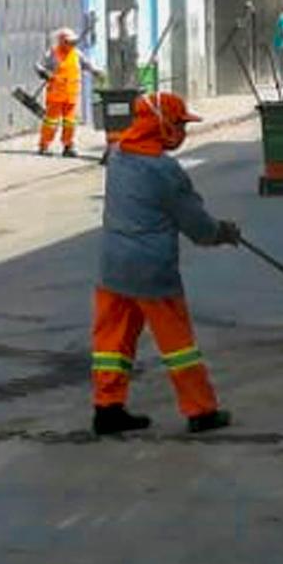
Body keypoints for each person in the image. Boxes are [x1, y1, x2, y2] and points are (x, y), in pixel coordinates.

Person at [89, 91, 240, 438]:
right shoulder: (164, 171)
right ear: (164, 127)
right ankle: (201, 411)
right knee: (178, 345)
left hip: (112, 266)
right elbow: (199, 228)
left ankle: (107, 409)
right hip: (151, 271)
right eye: (179, 124)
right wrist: (223, 232)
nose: (183, 133)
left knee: (111, 343)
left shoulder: (117, 154)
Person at [38, 28, 89, 157]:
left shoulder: (76, 53)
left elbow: (87, 64)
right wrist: (45, 73)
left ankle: (68, 146)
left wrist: (96, 72)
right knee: (51, 122)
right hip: (56, 94)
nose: (71, 44)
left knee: (70, 122)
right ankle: (44, 145)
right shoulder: (53, 53)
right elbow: (39, 65)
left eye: (72, 42)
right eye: (68, 42)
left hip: (71, 94)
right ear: (62, 41)